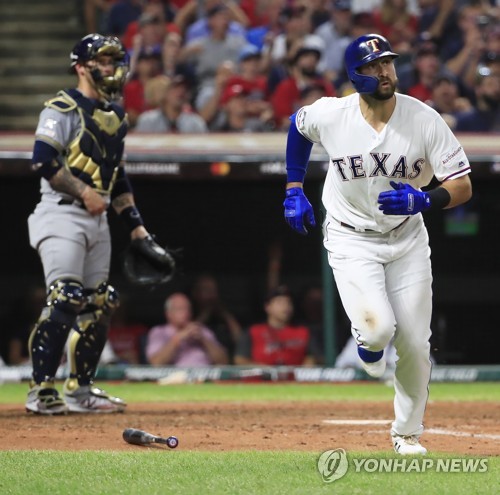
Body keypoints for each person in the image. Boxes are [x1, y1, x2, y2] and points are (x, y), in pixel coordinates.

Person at [282, 34, 472, 455]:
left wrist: (426, 198)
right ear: (354, 75)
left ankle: (406, 434)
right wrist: (294, 187)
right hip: (351, 237)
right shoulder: (332, 114)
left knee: (415, 345)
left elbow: (462, 186)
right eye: (372, 66)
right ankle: (367, 344)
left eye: (387, 63)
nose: (384, 71)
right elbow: (298, 127)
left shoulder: (423, 118)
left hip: (406, 240)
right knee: (378, 329)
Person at [26, 34, 174, 415]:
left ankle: (81, 391)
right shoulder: (60, 108)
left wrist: (137, 227)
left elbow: (117, 176)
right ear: (81, 66)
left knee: (101, 302)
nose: (109, 68)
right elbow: (43, 161)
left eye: (113, 61)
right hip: (60, 211)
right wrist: (84, 192)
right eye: (102, 62)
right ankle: (41, 390)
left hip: (98, 218)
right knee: (66, 297)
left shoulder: (115, 116)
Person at [234, 286, 315, 366]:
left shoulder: (303, 332)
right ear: (267, 307)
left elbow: (312, 358)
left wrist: (306, 367)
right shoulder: (253, 331)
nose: (286, 306)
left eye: (288, 302)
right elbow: (240, 360)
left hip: (293, 378)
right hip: (262, 378)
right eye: (279, 302)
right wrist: (264, 370)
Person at [146, 293, 229, 366]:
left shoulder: (202, 330)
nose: (185, 313)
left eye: (187, 309)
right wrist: (178, 338)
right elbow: (156, 363)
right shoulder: (159, 332)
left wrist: (204, 339)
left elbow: (223, 362)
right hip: (175, 379)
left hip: (205, 377)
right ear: (169, 314)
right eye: (180, 309)